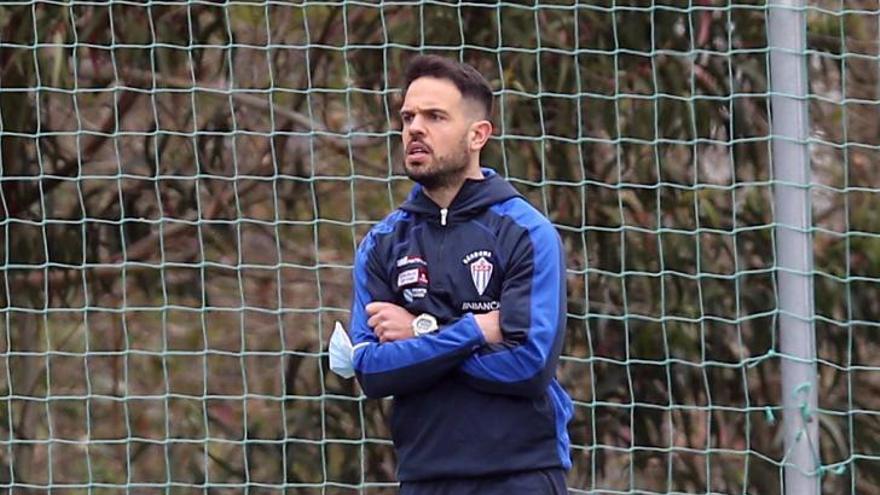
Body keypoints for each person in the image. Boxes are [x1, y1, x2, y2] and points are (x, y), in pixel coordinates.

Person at [347, 55, 572, 495]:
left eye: (434, 116)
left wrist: (419, 334)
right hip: (423, 477)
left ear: (477, 135)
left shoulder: (527, 232)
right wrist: (473, 330)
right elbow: (372, 371)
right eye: (408, 117)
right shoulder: (382, 242)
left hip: (520, 476)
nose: (415, 128)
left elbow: (528, 365)